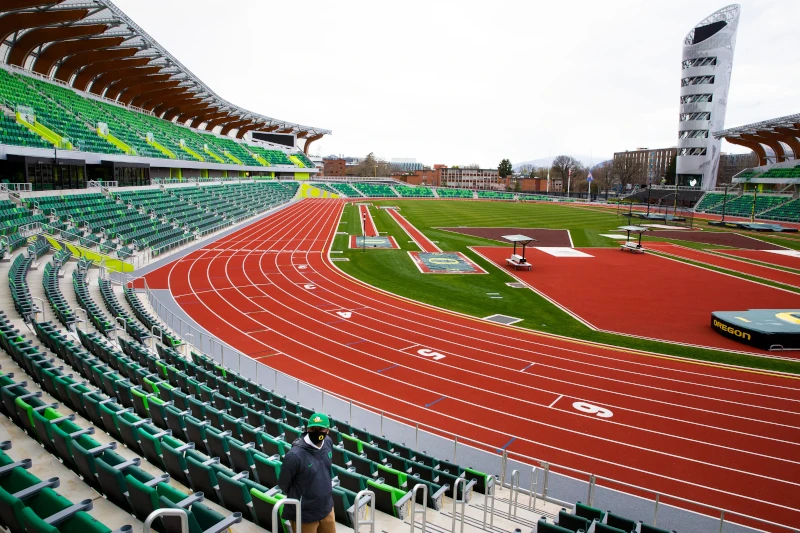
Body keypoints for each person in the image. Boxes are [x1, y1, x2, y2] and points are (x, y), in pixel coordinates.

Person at [277, 413, 335, 533]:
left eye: (321, 429)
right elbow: (283, 484)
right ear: (307, 429)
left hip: (327, 508)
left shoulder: (328, 442)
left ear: (327, 431)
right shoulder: (294, 456)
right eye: (313, 429)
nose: (317, 432)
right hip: (305, 515)